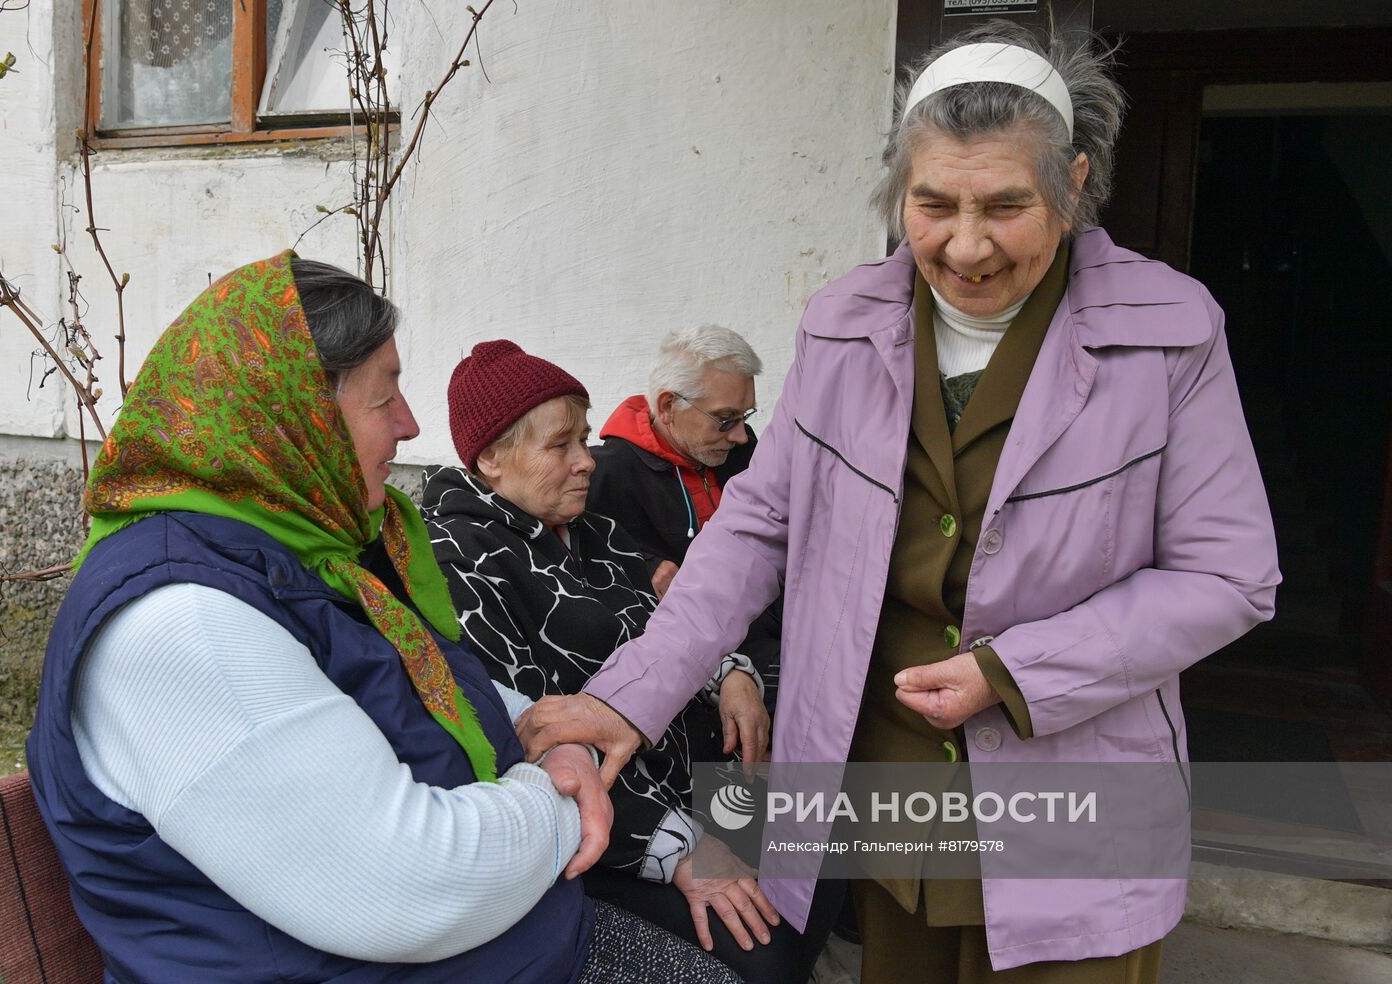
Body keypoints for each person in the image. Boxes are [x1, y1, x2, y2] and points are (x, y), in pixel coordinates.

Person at [518, 21, 1281, 984]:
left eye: (1006, 204)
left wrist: (1009, 672)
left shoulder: (1168, 331)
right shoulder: (844, 325)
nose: (966, 245)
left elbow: (1230, 576)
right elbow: (757, 525)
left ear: (1074, 183)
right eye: (933, 204)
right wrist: (629, 697)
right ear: (897, 193)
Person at [26, 254, 742, 983]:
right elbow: (417, 871)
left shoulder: (337, 547)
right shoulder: (190, 623)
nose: (409, 424)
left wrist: (735, 673)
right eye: (385, 397)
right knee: (807, 874)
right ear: (295, 416)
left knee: (829, 850)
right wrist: (626, 813)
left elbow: (509, 710)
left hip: (651, 822)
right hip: (634, 832)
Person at [422, 341, 836, 983]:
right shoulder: (459, 564)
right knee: (764, 950)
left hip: (702, 781)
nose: (587, 461)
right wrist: (679, 851)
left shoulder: (592, 532)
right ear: (490, 459)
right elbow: (540, 743)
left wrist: (733, 674)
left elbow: (681, 621)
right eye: (561, 445)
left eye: (583, 438)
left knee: (832, 850)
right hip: (616, 831)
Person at [588, 326, 783, 711]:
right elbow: (592, 570)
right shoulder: (606, 475)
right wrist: (645, 567)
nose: (742, 436)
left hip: (772, 633)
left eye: (745, 416)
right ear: (667, 407)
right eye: (725, 419)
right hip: (691, 666)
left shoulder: (742, 451)